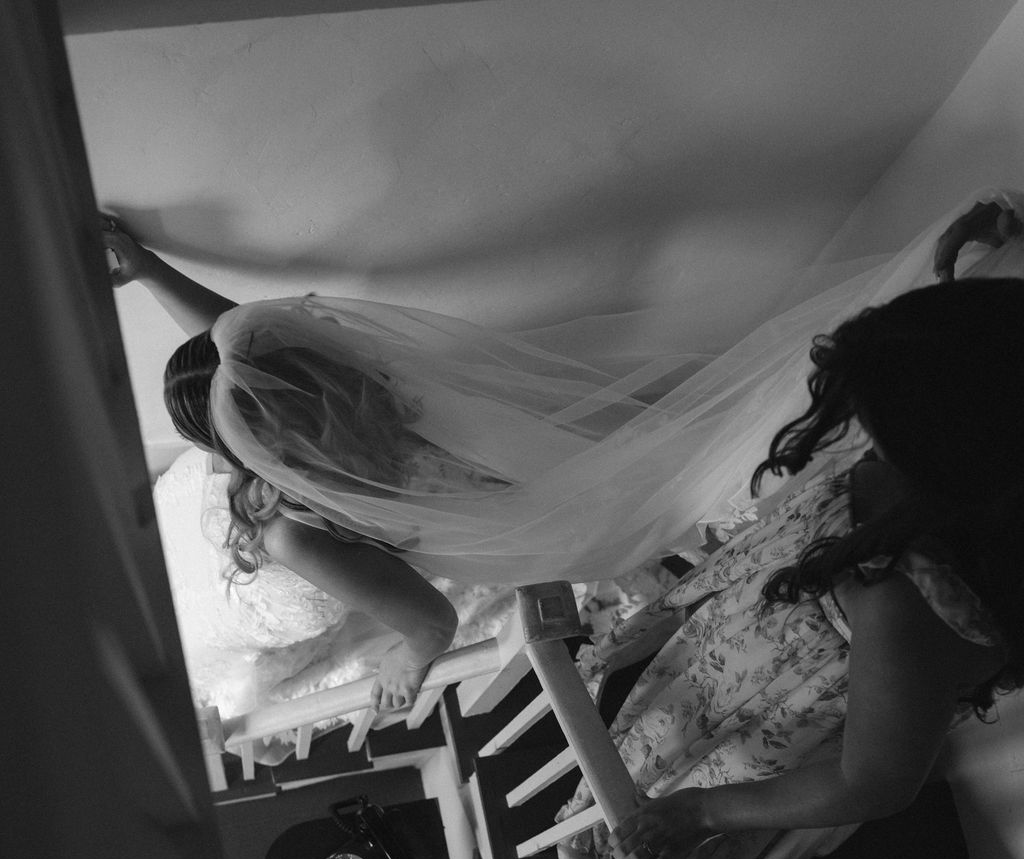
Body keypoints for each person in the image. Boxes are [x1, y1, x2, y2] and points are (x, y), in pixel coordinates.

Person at [103, 191, 1021, 722]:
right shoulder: (356, 377)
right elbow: (245, 346)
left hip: (574, 510)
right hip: (573, 445)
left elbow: (423, 620)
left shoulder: (308, 522)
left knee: (740, 483)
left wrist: (406, 665)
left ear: (255, 451)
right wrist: (146, 271)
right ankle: (944, 343)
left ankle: (911, 402)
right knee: (734, 435)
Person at [556, 240, 1024, 859]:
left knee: (659, 814)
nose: (865, 432)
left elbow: (875, 780)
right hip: (725, 656)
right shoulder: (943, 453)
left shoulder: (908, 600)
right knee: (636, 760)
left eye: (881, 426)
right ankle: (599, 832)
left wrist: (701, 814)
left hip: (762, 738)